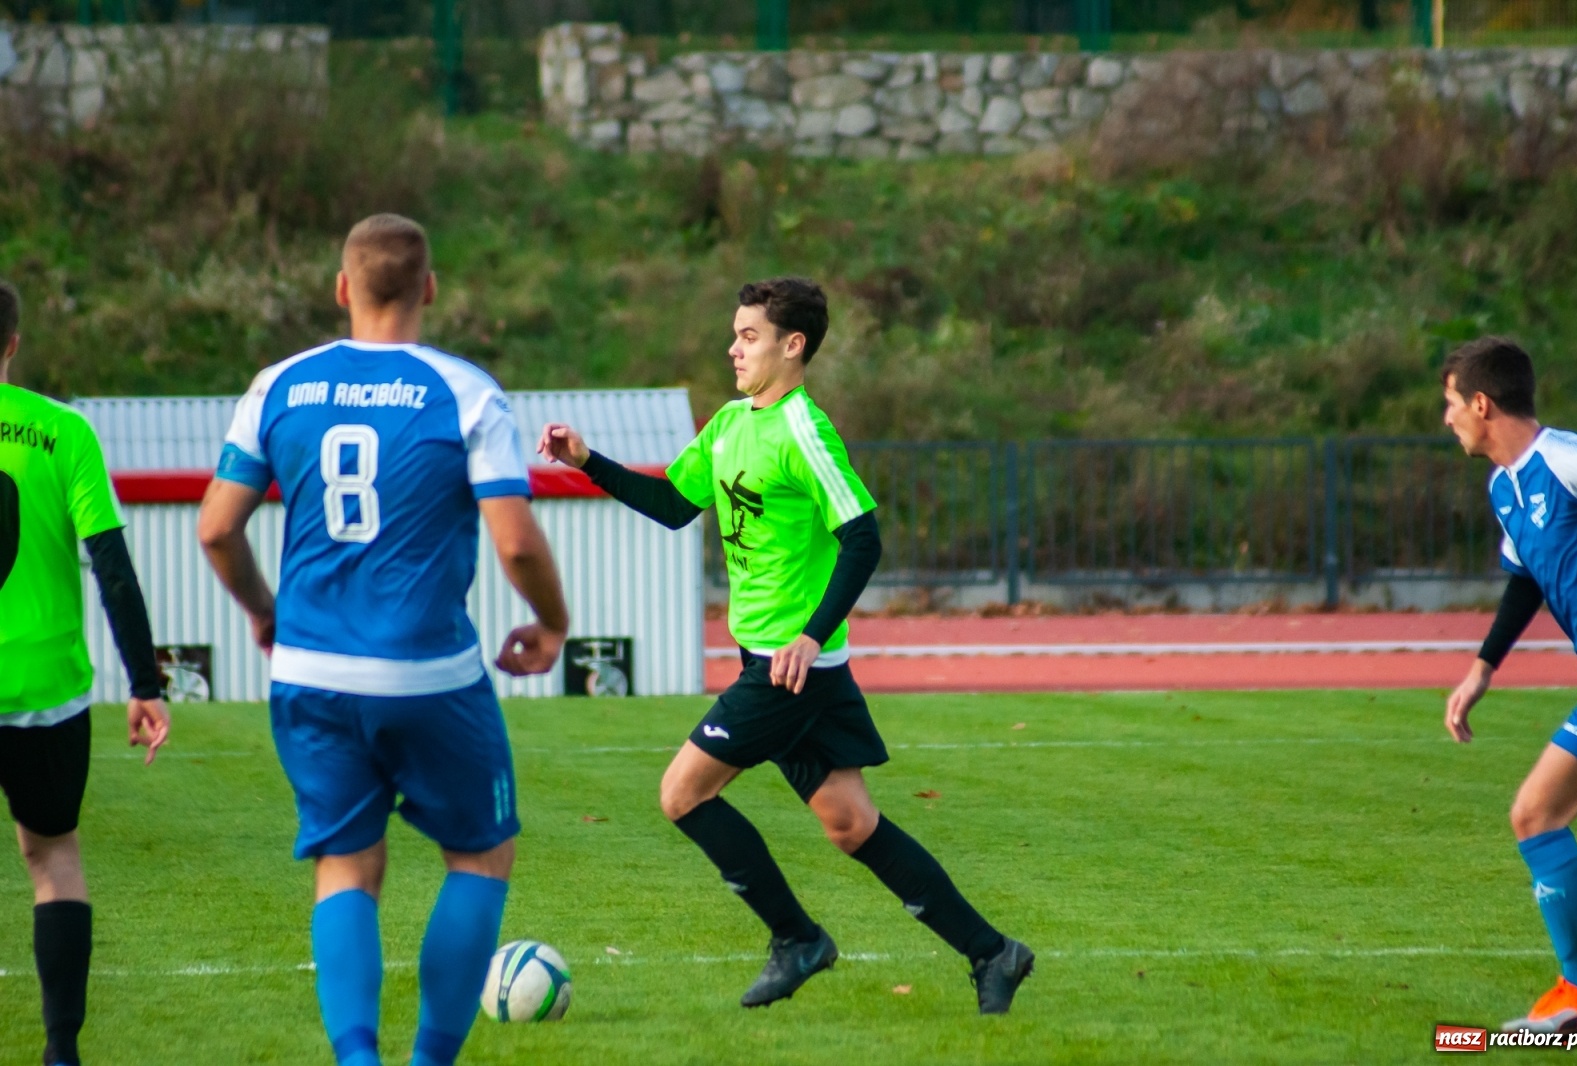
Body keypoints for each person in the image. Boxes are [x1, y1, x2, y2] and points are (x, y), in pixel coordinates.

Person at [538, 276, 1032, 1014]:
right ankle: (995, 953)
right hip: (777, 664)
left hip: (789, 668)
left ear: (791, 344)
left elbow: (862, 537)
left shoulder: (806, 428)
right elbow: (675, 505)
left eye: (749, 336)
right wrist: (587, 461)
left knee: (681, 794)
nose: (733, 348)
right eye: (735, 334)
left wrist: (808, 633)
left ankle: (797, 939)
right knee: (851, 824)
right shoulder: (734, 422)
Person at [196, 214, 569, 1066]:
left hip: (311, 671)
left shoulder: (278, 385)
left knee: (346, 868)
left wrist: (263, 608)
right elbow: (514, 540)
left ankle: (358, 1060)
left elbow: (217, 528)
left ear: (342, 288)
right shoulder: (465, 391)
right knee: (479, 856)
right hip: (427, 671)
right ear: (429, 288)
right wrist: (552, 622)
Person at [0, 279, 171, 1066]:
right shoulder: (63, 432)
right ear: (13, 342)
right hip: (44, 689)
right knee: (53, 857)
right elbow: (112, 565)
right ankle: (61, 1051)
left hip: (43, 693)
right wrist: (146, 683)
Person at [1443, 337, 1577, 1034]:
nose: (1446, 418)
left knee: (1536, 814)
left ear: (1482, 403)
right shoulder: (1504, 488)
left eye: (1450, 404)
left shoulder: (1569, 461)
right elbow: (1526, 578)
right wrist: (1484, 666)